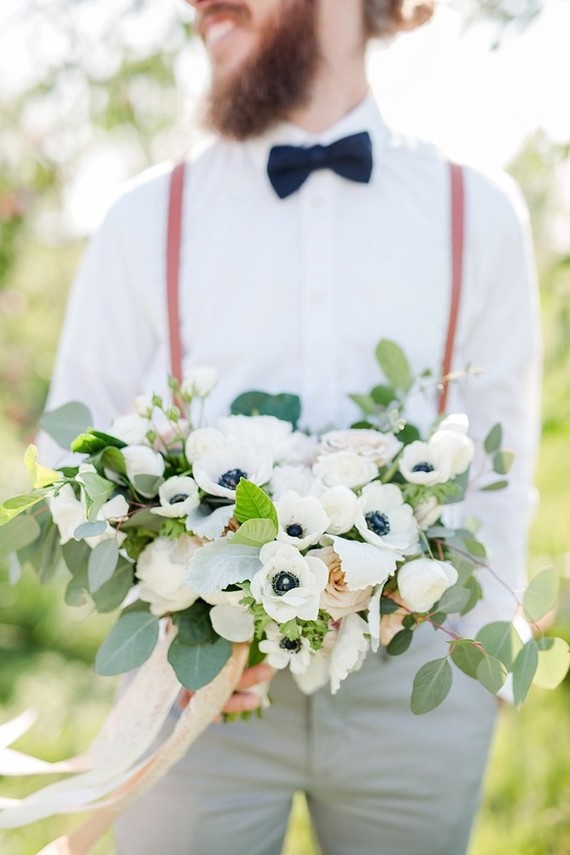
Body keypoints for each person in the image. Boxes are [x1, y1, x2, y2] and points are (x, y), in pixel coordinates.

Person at [43, 0, 541, 852]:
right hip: (197, 688)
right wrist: (174, 603)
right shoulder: (142, 220)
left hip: (417, 691)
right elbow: (68, 461)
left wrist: (483, 663)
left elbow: (501, 453)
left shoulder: (477, 210)